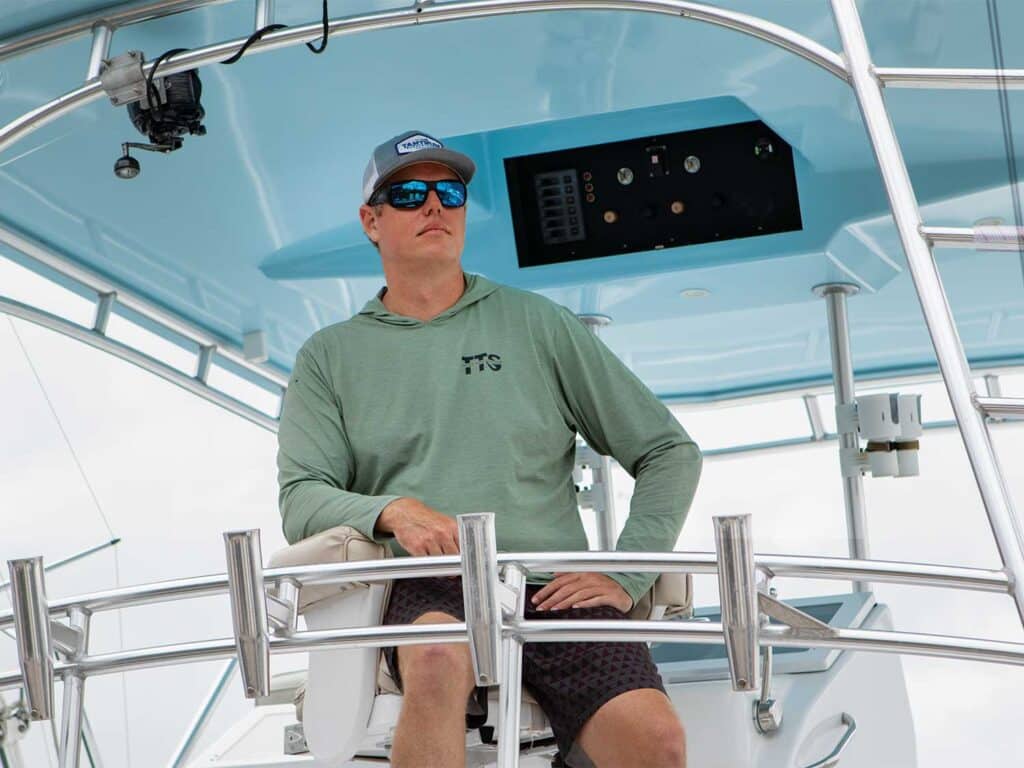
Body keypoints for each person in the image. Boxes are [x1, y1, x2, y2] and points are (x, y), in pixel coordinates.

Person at [277, 130, 702, 768]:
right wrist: (396, 512)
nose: (434, 207)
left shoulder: (538, 323)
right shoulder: (329, 356)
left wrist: (625, 573)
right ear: (371, 221)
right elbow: (301, 494)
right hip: (425, 584)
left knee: (656, 741)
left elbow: (669, 450)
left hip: (551, 585)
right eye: (409, 193)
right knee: (440, 659)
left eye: (450, 193)